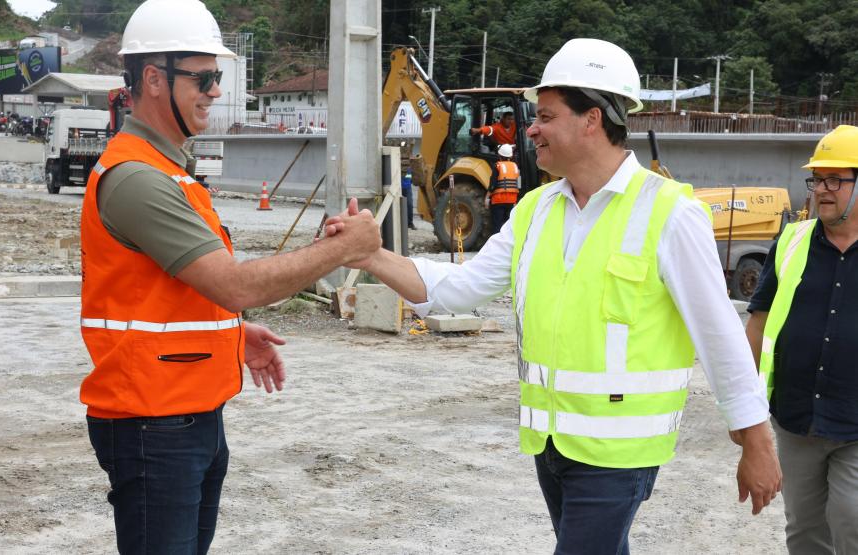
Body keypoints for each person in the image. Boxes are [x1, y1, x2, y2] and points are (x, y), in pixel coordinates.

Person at [326, 38, 781, 553]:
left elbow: (719, 334)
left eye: (545, 115)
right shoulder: (537, 209)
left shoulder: (670, 213)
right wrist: (371, 257)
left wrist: (755, 438)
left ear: (592, 119)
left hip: (620, 451)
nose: (532, 129)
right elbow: (459, 288)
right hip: (551, 444)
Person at [78, 0, 380, 552]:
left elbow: (165, 295)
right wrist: (341, 251)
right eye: (205, 77)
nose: (216, 90)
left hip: (185, 414)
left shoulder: (171, 172)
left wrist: (233, 336)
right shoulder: (137, 179)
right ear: (153, 79)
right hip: (154, 423)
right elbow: (235, 284)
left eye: (216, 77)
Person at [745, 125, 858, 554]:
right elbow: (757, 322)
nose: (822, 191)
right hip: (796, 418)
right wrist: (744, 404)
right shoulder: (791, 242)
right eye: (817, 179)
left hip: (855, 421)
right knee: (805, 531)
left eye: (835, 180)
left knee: (851, 521)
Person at [487, 143, 520, 234]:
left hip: (498, 200)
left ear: (500, 155)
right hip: (511, 200)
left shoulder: (497, 166)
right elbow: (518, 184)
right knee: (508, 225)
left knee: (497, 226)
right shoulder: (515, 167)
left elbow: (493, 185)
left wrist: (487, 197)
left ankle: (496, 246)